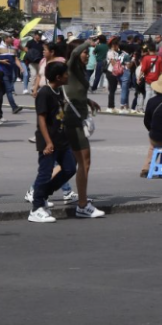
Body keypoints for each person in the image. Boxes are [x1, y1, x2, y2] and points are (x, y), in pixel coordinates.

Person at [29, 61, 79, 224]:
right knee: (44, 173)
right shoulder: (45, 93)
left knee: (70, 168)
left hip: (62, 139)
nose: (68, 76)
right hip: (48, 141)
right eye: (65, 73)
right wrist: (48, 142)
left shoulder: (59, 91)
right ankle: (36, 208)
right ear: (58, 77)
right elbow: (41, 119)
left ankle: (43, 194)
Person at [59, 42, 105, 218]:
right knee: (84, 163)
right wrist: (88, 42)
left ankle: (37, 191)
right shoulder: (70, 66)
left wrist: (88, 101)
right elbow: (74, 54)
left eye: (89, 52)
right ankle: (83, 205)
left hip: (77, 119)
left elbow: (75, 92)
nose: (88, 55)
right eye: (86, 52)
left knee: (70, 162)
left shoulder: (79, 71)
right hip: (74, 121)